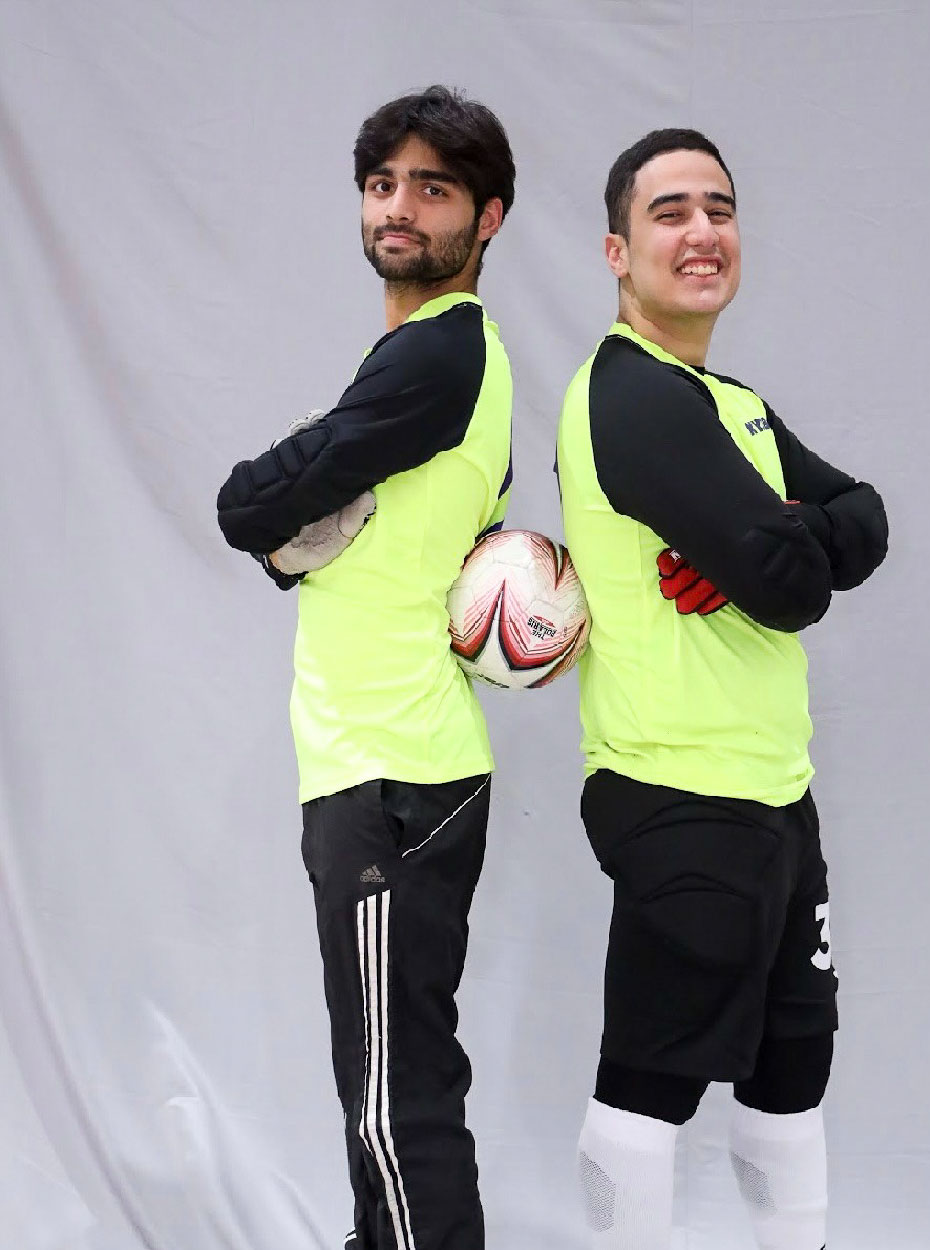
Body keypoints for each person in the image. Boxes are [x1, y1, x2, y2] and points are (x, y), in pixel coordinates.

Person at [560, 128, 889, 1249]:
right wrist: (781, 544)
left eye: (720, 207)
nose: (702, 231)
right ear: (617, 250)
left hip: (777, 801)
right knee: (648, 1085)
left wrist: (771, 532)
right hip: (675, 796)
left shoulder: (728, 401)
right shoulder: (630, 399)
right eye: (670, 213)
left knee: (792, 1072)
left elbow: (865, 517)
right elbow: (796, 587)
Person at [212, 85, 517, 1250]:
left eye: (432, 187)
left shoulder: (439, 356)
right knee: (389, 1089)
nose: (399, 207)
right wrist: (305, 503)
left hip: (395, 773)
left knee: (397, 1103)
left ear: (489, 218)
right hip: (375, 764)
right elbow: (311, 526)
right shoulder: (412, 358)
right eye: (384, 183)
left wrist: (288, 498)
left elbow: (250, 505)